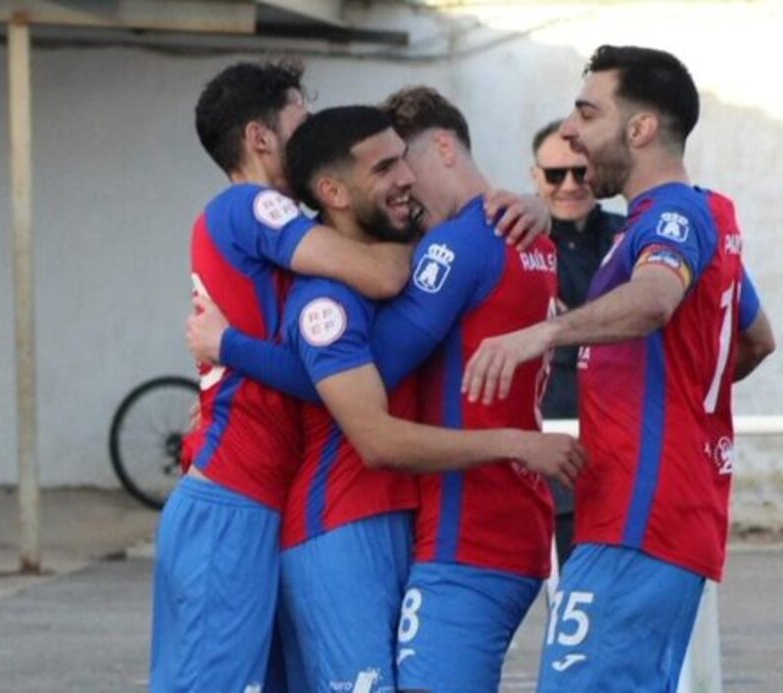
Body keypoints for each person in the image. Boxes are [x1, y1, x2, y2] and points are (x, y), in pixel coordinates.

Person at [186, 104, 586, 693]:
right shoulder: (331, 299)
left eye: (405, 158)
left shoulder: (414, 259)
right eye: (385, 168)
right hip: (342, 520)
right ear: (335, 193)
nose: (405, 180)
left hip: (401, 517)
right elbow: (370, 431)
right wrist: (231, 347)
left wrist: (525, 210)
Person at [460, 45, 776, 690]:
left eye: (586, 112)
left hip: (640, 516)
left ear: (640, 129)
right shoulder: (702, 214)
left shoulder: (669, 215)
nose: (572, 131)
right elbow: (754, 339)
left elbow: (657, 298)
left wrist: (540, 335)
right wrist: (682, 394)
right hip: (653, 513)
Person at [150, 59, 415, 693]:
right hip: (230, 497)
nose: (314, 134)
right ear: (260, 138)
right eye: (302, 120)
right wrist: (421, 221)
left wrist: (232, 346)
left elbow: (309, 375)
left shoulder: (258, 220)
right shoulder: (252, 202)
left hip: (256, 496)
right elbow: (383, 276)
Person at [530, 118, 627, 568]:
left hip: (626, 439)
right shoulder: (518, 243)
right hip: (556, 444)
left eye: (579, 172)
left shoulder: (629, 233)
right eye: (554, 174)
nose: (569, 185)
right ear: (535, 178)